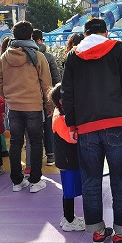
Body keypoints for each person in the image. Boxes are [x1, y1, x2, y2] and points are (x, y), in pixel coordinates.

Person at [61, 18, 122, 243]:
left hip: (86, 126)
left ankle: (97, 231)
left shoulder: (73, 56)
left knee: (90, 180)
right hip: (117, 122)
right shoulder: (119, 50)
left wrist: (72, 124)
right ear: (106, 32)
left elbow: (67, 92)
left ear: (85, 34)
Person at [0, 21, 53, 194]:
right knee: (36, 142)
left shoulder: (5, 57)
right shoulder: (38, 56)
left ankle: (17, 182)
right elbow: (46, 84)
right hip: (33, 106)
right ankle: (35, 181)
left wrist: (8, 96)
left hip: (13, 107)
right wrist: (49, 105)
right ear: (31, 35)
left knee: (15, 143)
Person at [50, 83, 86, 232]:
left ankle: (68, 217)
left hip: (68, 159)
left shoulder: (60, 113)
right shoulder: (60, 118)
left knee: (69, 190)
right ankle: (69, 220)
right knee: (69, 191)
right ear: (61, 101)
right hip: (67, 161)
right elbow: (71, 138)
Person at [30, 28, 61, 167]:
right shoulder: (48, 56)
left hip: (31, 98)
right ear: (39, 40)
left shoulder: (26, 55)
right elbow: (56, 77)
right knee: (48, 126)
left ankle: (35, 157)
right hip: (47, 96)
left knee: (33, 128)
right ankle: (51, 155)